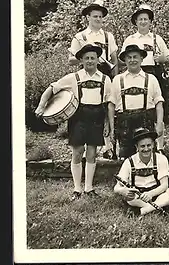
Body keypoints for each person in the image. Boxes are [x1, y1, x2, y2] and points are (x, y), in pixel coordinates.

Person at [35, 43, 112, 200]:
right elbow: (51, 88)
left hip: (97, 116)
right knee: (77, 152)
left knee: (92, 153)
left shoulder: (105, 79)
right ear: (81, 61)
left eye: (93, 58)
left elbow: (108, 103)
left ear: (98, 60)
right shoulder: (73, 78)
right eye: (86, 58)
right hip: (78, 117)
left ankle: (89, 188)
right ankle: (77, 189)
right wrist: (41, 105)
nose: (90, 61)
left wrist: (107, 123)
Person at [68, 0, 118, 159]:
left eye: (100, 17)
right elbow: (70, 60)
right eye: (95, 16)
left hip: (105, 74)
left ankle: (108, 147)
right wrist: (87, 57)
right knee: (89, 109)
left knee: (106, 110)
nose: (98, 19)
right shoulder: (80, 36)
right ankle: (87, 147)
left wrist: (115, 77)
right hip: (86, 75)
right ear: (88, 17)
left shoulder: (108, 36)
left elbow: (114, 59)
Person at [108, 44, 165, 159]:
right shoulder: (117, 79)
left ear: (141, 59)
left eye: (135, 57)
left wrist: (159, 124)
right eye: (129, 57)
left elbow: (159, 104)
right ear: (125, 60)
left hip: (145, 120)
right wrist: (111, 129)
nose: (132, 60)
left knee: (147, 155)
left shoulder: (151, 79)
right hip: (124, 122)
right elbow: (111, 106)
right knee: (126, 158)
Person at [114, 127, 169, 217]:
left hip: (157, 193)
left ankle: (144, 211)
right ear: (136, 147)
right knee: (130, 199)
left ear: (153, 145)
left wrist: (151, 194)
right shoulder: (129, 162)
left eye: (149, 145)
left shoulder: (161, 159)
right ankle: (161, 206)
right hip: (138, 197)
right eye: (142, 146)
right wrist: (124, 190)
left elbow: (164, 185)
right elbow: (116, 187)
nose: (146, 149)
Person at [121, 3, 169, 97]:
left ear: (150, 21)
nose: (143, 22)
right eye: (140, 19)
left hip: (154, 72)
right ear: (136, 22)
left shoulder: (157, 38)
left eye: (145, 19)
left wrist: (163, 59)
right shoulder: (130, 39)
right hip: (134, 74)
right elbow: (122, 59)